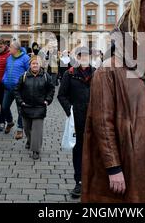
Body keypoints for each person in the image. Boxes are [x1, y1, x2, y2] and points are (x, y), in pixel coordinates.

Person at [58, 47, 95, 199]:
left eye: (87, 55)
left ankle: (94, 180)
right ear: (78, 57)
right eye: (81, 55)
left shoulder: (97, 73)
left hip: (95, 119)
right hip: (77, 119)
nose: (84, 57)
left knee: (94, 150)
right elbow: (62, 95)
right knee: (78, 150)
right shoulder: (70, 74)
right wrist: (70, 111)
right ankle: (79, 181)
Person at [15, 55, 55, 160]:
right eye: (33, 63)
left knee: (37, 130)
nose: (35, 65)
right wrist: (20, 101)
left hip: (40, 107)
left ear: (40, 64)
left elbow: (51, 89)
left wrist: (47, 100)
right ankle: (29, 140)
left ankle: (35, 150)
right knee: (27, 129)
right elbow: (17, 90)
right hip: (26, 106)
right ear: (30, 65)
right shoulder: (23, 76)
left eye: (37, 63)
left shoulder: (46, 76)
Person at [1, 40, 30, 139]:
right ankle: (10, 122)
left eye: (10, 47)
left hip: (20, 90)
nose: (9, 49)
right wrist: (4, 79)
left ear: (16, 49)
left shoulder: (25, 58)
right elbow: (6, 70)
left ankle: (19, 130)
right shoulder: (9, 58)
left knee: (20, 110)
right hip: (8, 88)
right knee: (4, 107)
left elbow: (29, 72)